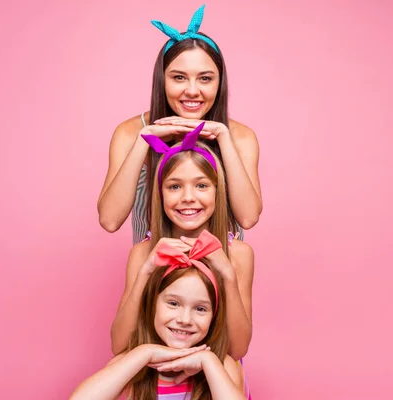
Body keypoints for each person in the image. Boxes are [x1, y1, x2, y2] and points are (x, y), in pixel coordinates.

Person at [97, 5, 262, 244]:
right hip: (156, 273)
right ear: (161, 80)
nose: (192, 91)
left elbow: (247, 218)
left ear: (219, 82)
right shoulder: (130, 132)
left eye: (205, 78)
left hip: (221, 275)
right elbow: (110, 220)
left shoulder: (240, 136)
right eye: (179, 77)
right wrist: (146, 138)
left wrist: (223, 137)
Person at [110, 124, 254, 395]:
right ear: (160, 194)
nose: (188, 198)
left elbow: (238, 348)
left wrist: (228, 275)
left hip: (212, 374)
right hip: (155, 371)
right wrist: (145, 272)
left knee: (228, 367)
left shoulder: (239, 254)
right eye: (175, 186)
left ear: (217, 190)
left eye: (201, 185)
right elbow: (119, 344)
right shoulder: (143, 252)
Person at [70, 231, 246, 399]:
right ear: (152, 306)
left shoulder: (220, 366)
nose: (185, 319)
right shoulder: (133, 362)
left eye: (200, 309)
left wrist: (208, 361)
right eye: (173, 303)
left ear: (213, 316)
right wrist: (145, 353)